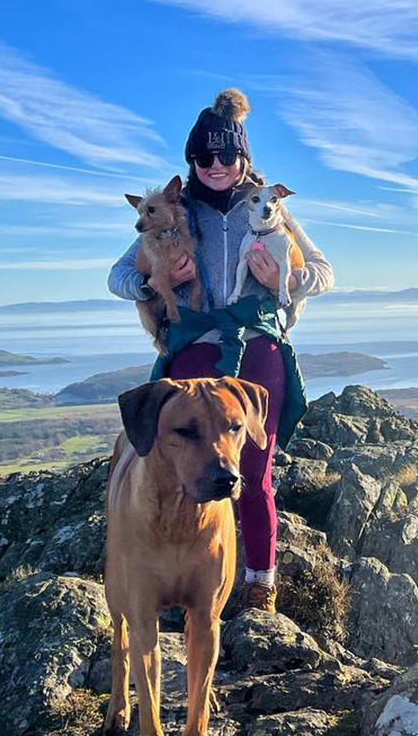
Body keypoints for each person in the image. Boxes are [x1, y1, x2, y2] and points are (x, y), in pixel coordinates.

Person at [108, 88, 333, 611]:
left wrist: (287, 276)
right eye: (204, 156)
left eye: (225, 154)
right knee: (183, 473)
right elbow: (119, 275)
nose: (215, 165)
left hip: (257, 347)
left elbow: (324, 272)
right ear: (192, 161)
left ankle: (259, 581)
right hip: (195, 348)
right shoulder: (174, 211)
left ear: (242, 158)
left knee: (253, 473)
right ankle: (188, 578)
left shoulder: (270, 209)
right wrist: (150, 285)